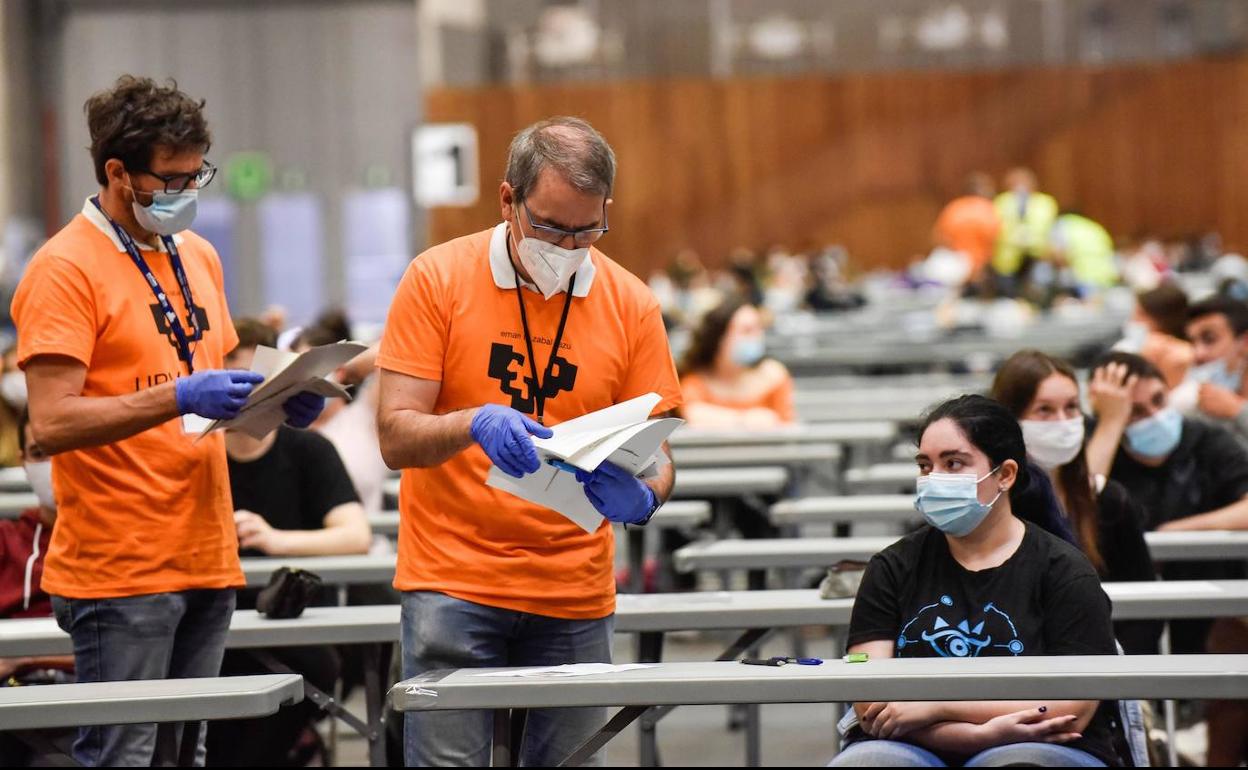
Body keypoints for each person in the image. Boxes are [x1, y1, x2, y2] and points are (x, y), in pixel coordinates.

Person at [8, 75, 325, 767]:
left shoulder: (197, 256)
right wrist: (179, 395)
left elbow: (218, 417)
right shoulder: (63, 269)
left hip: (205, 553)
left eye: (196, 173)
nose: (187, 191)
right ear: (117, 171)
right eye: (171, 178)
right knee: (124, 756)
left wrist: (279, 408)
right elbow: (53, 423)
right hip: (120, 568)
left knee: (186, 755)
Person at [376, 116, 681, 766]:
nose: (569, 246)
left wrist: (645, 495)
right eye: (550, 227)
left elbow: (659, 451)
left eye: (588, 229)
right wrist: (471, 423)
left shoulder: (631, 304)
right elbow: (396, 435)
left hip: (573, 588)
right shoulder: (438, 279)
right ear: (507, 200)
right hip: (453, 582)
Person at [829, 395, 1119, 767]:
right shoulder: (891, 567)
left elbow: (1073, 708)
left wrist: (936, 707)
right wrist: (975, 736)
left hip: (1043, 744)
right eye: (924, 465)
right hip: (910, 743)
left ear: (1005, 475)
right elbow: (869, 699)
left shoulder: (1064, 571)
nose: (933, 479)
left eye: (953, 464)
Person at [1087, 351, 1248, 765]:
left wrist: (1176, 531)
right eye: (1135, 411)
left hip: (1213, 609)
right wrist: (1109, 423)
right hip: (1122, 623)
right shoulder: (1097, 443)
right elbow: (1080, 506)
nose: (1155, 416)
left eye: (1160, 400)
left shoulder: (1205, 439)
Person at [990, 350, 1159, 654]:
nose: (1063, 422)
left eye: (1071, 407)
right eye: (1044, 410)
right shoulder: (994, 507)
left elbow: (1145, 608)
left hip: (1104, 664)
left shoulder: (1109, 500)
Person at [678, 298, 795, 429]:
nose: (756, 337)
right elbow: (693, 415)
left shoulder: (774, 375)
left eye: (758, 329)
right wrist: (746, 421)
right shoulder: (695, 381)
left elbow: (787, 425)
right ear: (719, 338)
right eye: (746, 330)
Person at [1183, 294, 1248, 442]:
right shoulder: (1200, 404)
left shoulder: (1231, 407)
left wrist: (1238, 411)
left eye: (1209, 339)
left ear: (1245, 341)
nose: (1198, 354)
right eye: (1192, 342)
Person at [991, 167, 1059, 300]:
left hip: (1037, 256)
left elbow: (1051, 229)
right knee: (1009, 296)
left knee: (1038, 294)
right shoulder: (1002, 202)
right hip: (1008, 260)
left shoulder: (1045, 202)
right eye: (1016, 182)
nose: (1020, 186)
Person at [1114, 282, 1193, 389]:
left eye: (1141, 314)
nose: (1133, 319)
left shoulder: (1187, 354)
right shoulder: (1127, 349)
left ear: (1162, 319)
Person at [932, 172, 1000, 291]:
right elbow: (994, 241)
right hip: (979, 269)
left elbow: (939, 238)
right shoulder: (987, 209)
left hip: (957, 268)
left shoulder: (954, 208)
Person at [1049, 211, 1119, 295]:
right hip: (1107, 277)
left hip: (1084, 278)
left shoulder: (1063, 225)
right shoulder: (1094, 227)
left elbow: (1059, 255)